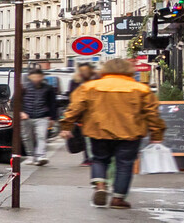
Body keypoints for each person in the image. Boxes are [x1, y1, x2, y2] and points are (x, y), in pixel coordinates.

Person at [60, 57, 163, 209]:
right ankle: (118, 199)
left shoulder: (89, 87)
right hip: (130, 132)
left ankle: (100, 186)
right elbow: (152, 113)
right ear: (129, 70)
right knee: (124, 164)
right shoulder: (141, 89)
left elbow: (75, 107)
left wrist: (66, 126)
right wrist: (156, 134)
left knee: (99, 159)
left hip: (98, 131)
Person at [20, 69, 60, 165]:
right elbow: (15, 101)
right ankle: (31, 156)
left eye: (38, 76)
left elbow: (53, 104)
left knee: (41, 136)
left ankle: (40, 156)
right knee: (26, 137)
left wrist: (53, 118)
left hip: (42, 116)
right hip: (26, 116)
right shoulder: (24, 87)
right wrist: (21, 112)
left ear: (42, 77)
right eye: (34, 76)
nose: (36, 79)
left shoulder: (48, 88)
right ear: (30, 77)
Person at [67, 64, 97, 167]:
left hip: (92, 115)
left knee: (90, 138)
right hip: (82, 116)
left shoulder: (95, 81)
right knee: (85, 138)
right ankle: (89, 158)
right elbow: (72, 100)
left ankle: (91, 158)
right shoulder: (75, 82)